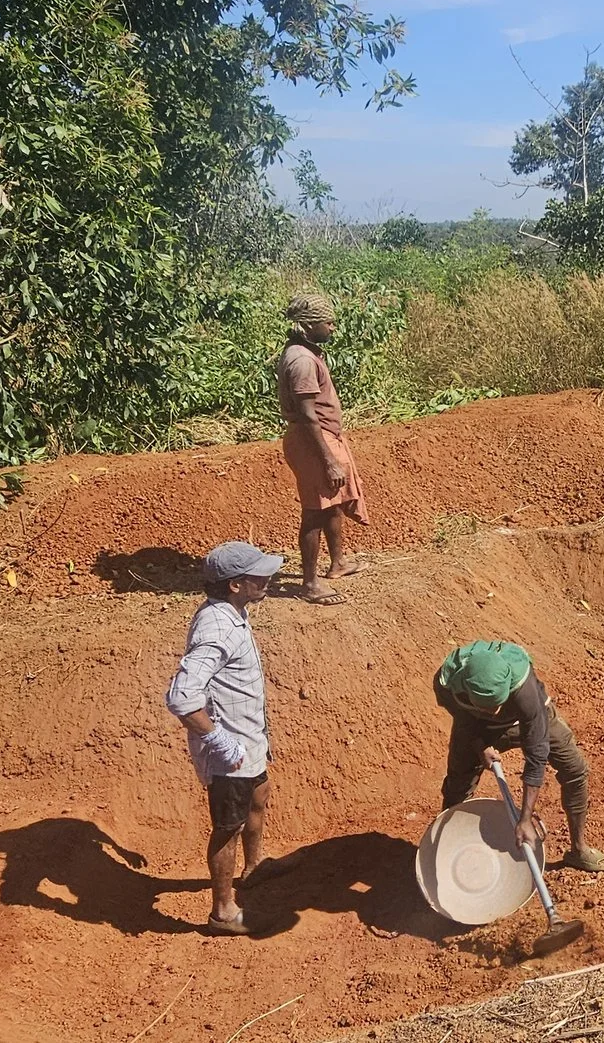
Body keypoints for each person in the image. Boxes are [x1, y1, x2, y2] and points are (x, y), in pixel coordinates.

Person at [164, 541, 285, 934]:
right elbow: (182, 697)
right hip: (230, 754)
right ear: (235, 585)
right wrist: (219, 742)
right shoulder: (216, 629)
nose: (267, 578)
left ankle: (255, 866)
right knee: (228, 827)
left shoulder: (233, 613)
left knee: (259, 795)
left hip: (249, 740)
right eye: (258, 575)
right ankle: (223, 912)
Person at [434, 640, 604, 873]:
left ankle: (578, 850)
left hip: (528, 718)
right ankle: (447, 853)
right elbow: (464, 721)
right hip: (479, 728)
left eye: (498, 704)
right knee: (457, 786)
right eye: (488, 706)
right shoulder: (447, 685)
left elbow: (537, 753)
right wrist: (480, 746)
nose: (495, 712)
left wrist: (525, 818)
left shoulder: (525, 689)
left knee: (574, 769)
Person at [278, 292, 368, 605]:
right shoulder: (302, 361)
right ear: (308, 325)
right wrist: (328, 460)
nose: (332, 327)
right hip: (312, 442)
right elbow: (307, 416)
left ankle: (338, 562)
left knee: (332, 502)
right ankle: (310, 583)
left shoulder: (306, 353)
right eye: (327, 322)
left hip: (323, 438)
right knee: (315, 511)